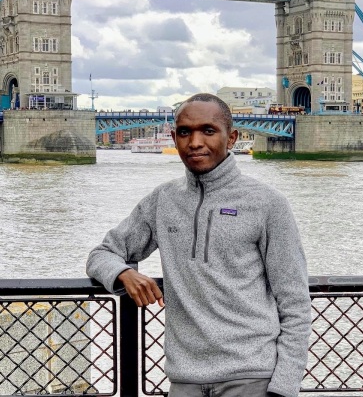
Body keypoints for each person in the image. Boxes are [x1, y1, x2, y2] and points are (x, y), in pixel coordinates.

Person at [86, 93, 311, 397]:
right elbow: (102, 254)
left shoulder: (268, 203)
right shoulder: (163, 200)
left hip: (252, 378)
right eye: (184, 132)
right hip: (184, 380)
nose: (194, 142)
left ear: (231, 138)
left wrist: (284, 388)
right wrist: (124, 273)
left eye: (208, 131)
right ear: (174, 137)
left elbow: (295, 301)